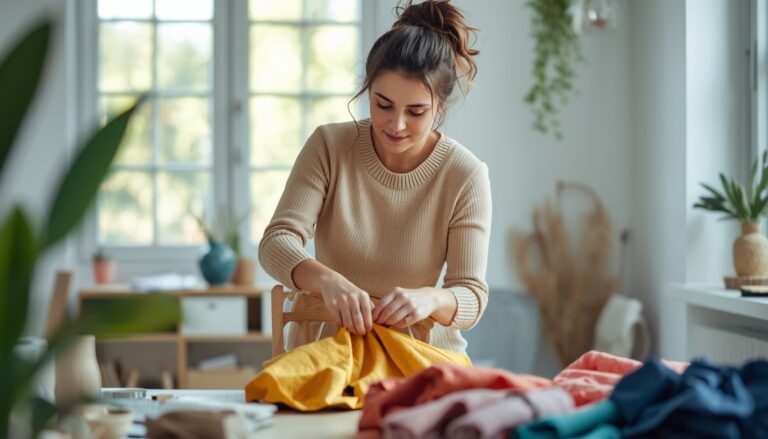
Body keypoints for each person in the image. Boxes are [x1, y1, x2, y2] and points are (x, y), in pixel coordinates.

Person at [259, 0, 491, 354]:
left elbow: (471, 295)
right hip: (325, 353)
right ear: (368, 90)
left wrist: (429, 299)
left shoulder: (465, 174)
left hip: (418, 356)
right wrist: (328, 282)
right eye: (383, 104)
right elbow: (276, 242)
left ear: (440, 107)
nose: (396, 125)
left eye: (416, 112)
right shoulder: (330, 146)